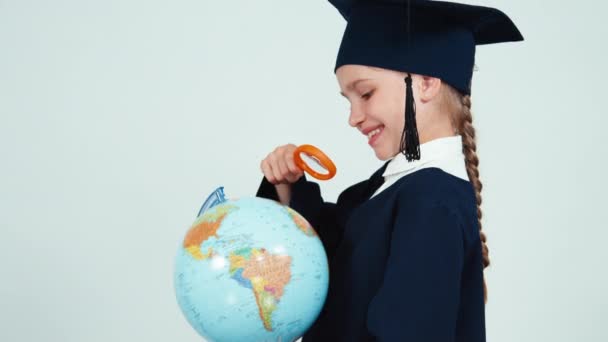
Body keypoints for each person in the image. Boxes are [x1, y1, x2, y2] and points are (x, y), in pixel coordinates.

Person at [256, 0, 523, 341]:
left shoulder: (431, 202)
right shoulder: (389, 190)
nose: (353, 118)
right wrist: (287, 185)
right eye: (348, 100)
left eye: (365, 93)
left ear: (426, 82)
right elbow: (321, 264)